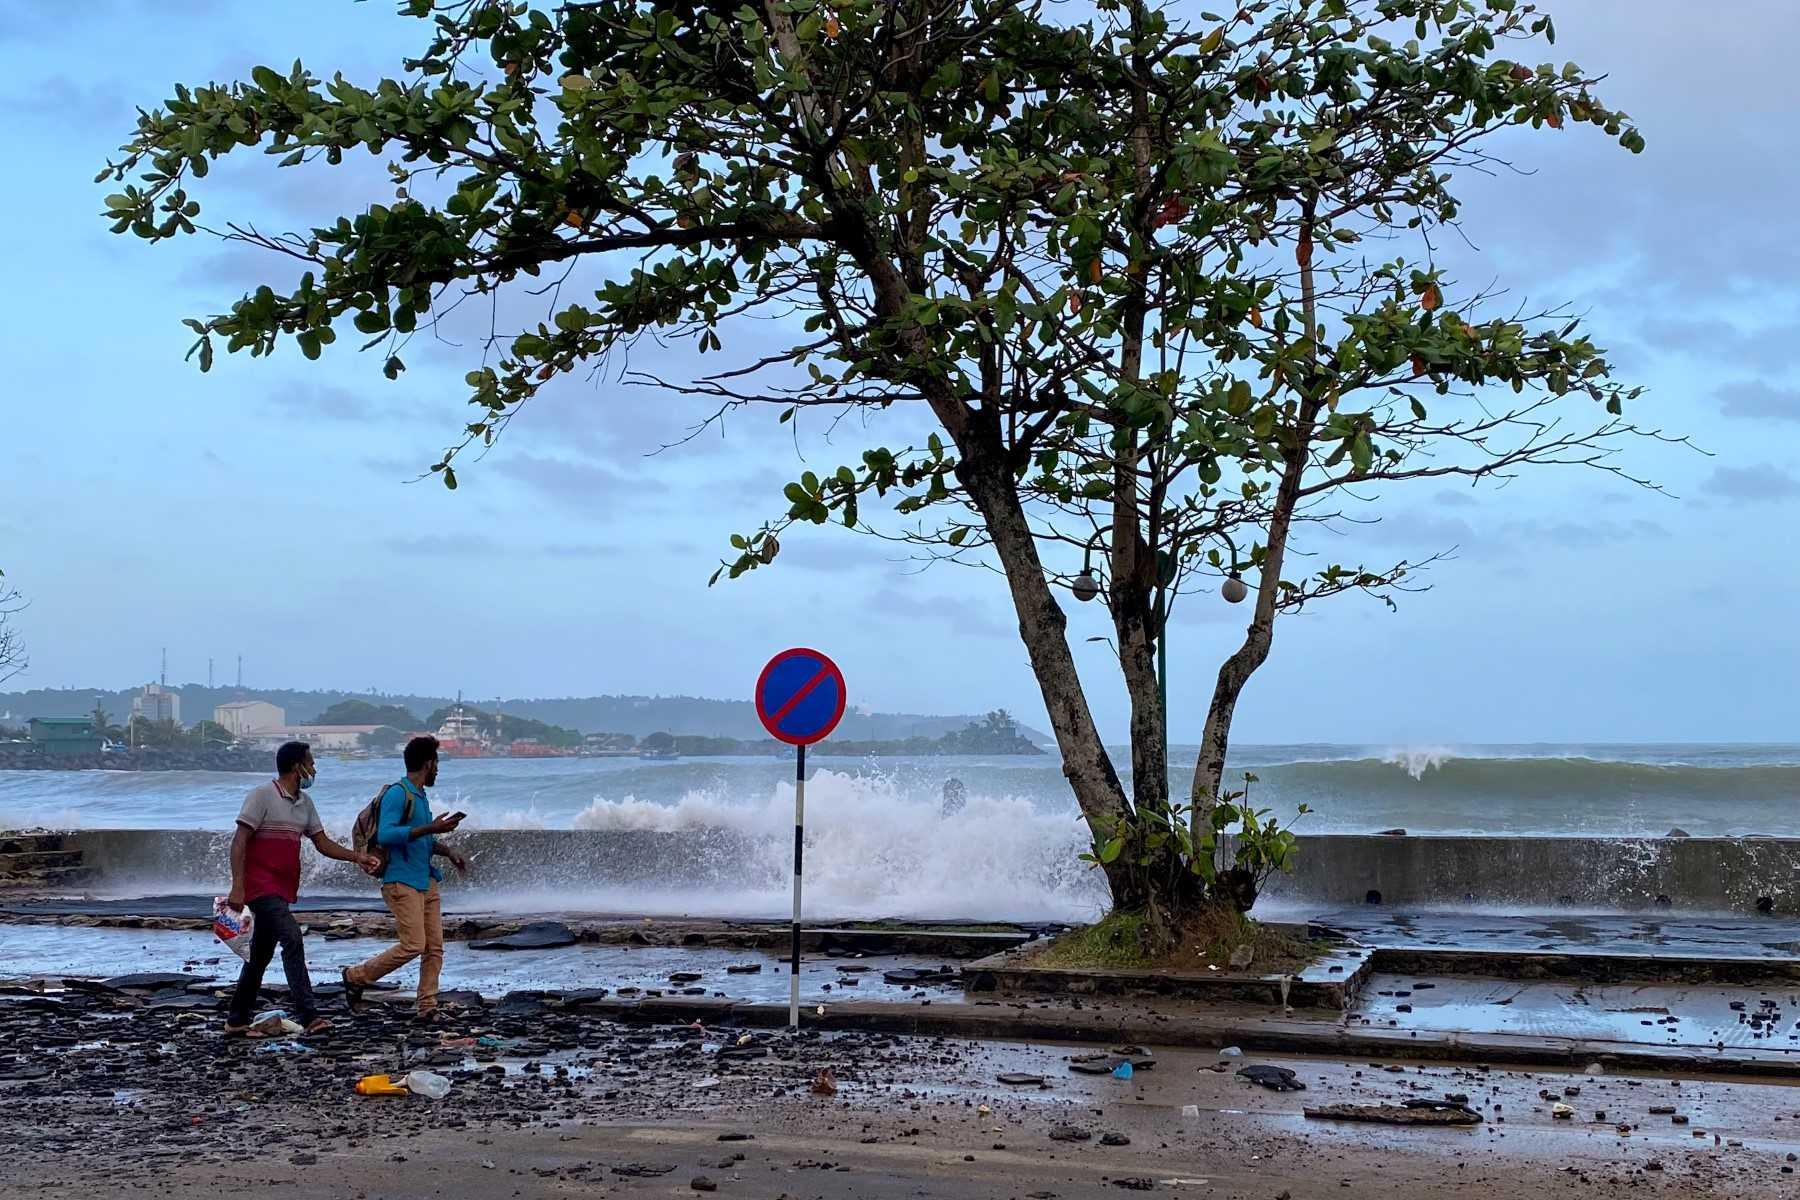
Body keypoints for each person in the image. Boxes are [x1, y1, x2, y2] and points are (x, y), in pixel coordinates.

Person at [224, 740, 379, 1037]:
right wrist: (238, 886)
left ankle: (237, 1019)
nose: (314, 768)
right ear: (298, 766)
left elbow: (322, 843)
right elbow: (239, 841)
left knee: (260, 955)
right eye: (312, 762)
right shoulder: (262, 796)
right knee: (292, 939)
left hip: (282, 889)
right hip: (259, 887)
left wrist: (356, 856)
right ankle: (310, 1016)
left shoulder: (304, 804)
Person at [341, 735, 467, 1022]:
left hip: (426, 879)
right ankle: (355, 976)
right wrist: (430, 827)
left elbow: (421, 838)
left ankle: (427, 1006)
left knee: (434, 948)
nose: (438, 769)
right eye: (436, 763)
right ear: (428, 763)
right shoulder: (399, 793)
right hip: (401, 881)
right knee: (413, 945)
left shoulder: (420, 795)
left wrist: (448, 851)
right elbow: (386, 834)